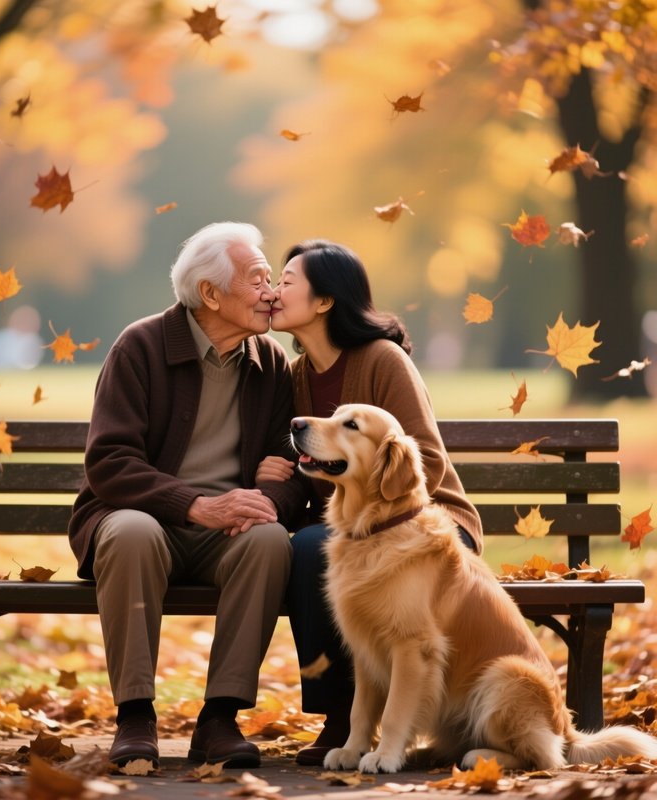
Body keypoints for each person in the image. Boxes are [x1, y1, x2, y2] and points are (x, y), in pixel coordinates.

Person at [68, 222, 308, 769]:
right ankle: (135, 716)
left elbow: (292, 468)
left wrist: (272, 496)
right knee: (131, 531)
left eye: (273, 279)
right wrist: (196, 505)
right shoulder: (141, 346)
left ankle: (220, 718)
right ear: (210, 293)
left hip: (228, 533)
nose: (271, 292)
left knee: (270, 540)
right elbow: (110, 462)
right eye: (258, 280)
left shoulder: (269, 362)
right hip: (142, 518)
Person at [260, 239, 483, 766]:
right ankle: (343, 720)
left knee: (315, 544)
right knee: (314, 545)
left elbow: (421, 461)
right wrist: (279, 479)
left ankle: (352, 725)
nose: (273, 289)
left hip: (426, 525)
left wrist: (339, 486)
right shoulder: (295, 378)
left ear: (324, 301)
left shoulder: (382, 361)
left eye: (287, 280)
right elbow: (313, 471)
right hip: (356, 532)